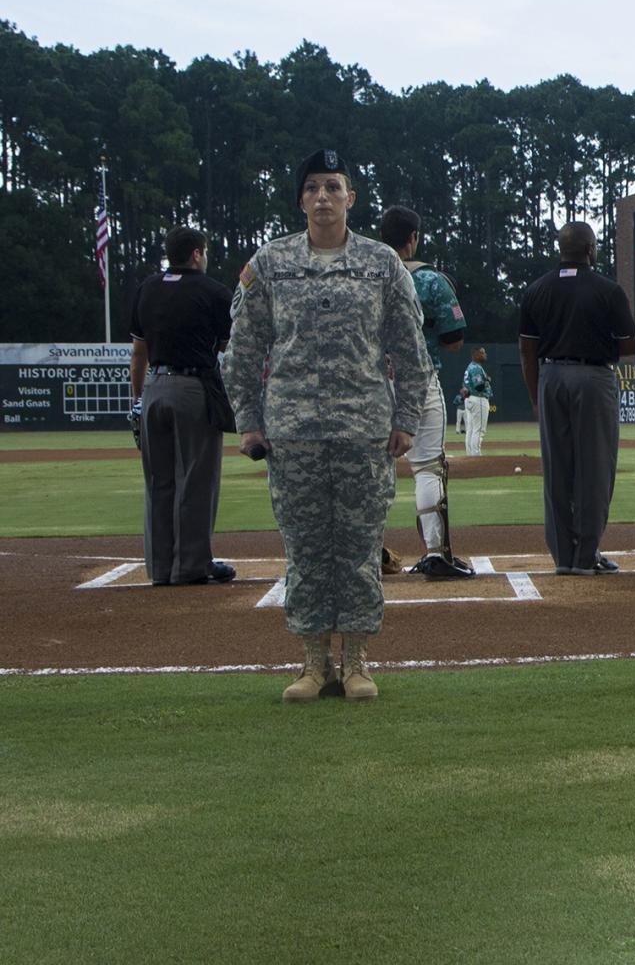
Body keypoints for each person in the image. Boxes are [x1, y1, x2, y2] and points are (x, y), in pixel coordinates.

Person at [225, 150, 431, 704]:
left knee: (361, 547)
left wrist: (406, 419)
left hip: (364, 427)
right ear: (300, 199)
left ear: (350, 198)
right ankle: (314, 666)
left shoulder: (382, 263)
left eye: (333, 187)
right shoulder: (269, 264)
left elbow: (409, 349)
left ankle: (358, 662)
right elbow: (243, 349)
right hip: (292, 429)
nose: (323, 197)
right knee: (306, 549)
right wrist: (247, 422)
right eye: (313, 187)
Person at [518, 221, 635, 576]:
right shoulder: (608, 290)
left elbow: (527, 350)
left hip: (550, 377)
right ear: (590, 249)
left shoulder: (536, 289)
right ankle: (586, 555)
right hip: (593, 377)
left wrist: (536, 397)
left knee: (557, 469)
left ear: (561, 249)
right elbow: (629, 345)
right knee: (594, 468)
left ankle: (563, 558)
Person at [128, 226, 237, 586]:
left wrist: (137, 401)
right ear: (196, 253)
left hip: (154, 389)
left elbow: (138, 352)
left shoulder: (147, 288)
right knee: (196, 479)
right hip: (192, 388)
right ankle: (190, 565)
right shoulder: (213, 291)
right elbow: (227, 346)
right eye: (204, 251)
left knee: (159, 481)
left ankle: (160, 568)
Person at [379, 206, 473, 580]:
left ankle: (368, 553)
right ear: (414, 237)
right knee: (428, 468)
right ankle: (436, 553)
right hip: (418, 378)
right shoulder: (430, 280)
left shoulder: (364, 274)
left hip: (368, 382)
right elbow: (454, 338)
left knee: (370, 471)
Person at [462, 346, 493, 456]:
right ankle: (475, 456)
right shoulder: (475, 368)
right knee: (478, 430)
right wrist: (487, 380)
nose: (485, 355)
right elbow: (479, 386)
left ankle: (470, 455)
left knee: (470, 429)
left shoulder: (470, 367)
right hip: (478, 399)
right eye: (482, 353)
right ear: (475, 355)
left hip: (470, 399)